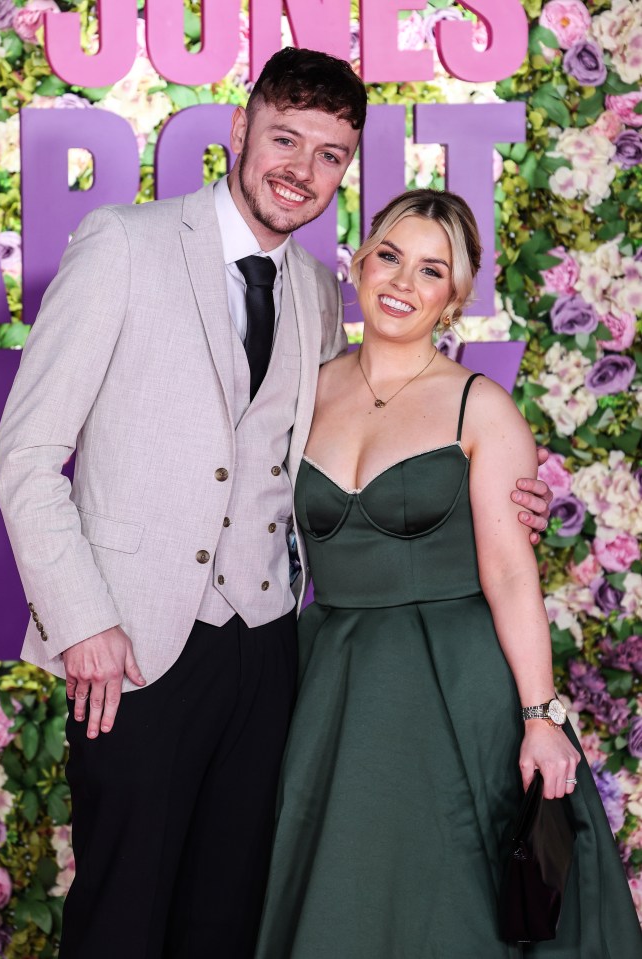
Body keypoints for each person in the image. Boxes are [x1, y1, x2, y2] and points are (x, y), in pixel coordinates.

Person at [0, 51, 552, 959]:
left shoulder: (318, 293)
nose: (302, 168)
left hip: (268, 653)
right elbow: (24, 453)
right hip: (130, 644)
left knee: (227, 916)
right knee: (123, 909)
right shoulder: (123, 243)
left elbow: (342, 455)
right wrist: (83, 620)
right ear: (238, 131)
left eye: (331, 154)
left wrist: (492, 501)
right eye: (285, 138)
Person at [253, 189, 642, 958]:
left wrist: (541, 715)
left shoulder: (482, 407)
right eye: (390, 256)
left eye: (432, 270)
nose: (403, 282)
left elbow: (509, 572)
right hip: (328, 677)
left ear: (456, 296)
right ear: (360, 262)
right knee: (340, 893)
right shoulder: (303, 387)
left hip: (451, 683)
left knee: (448, 899)